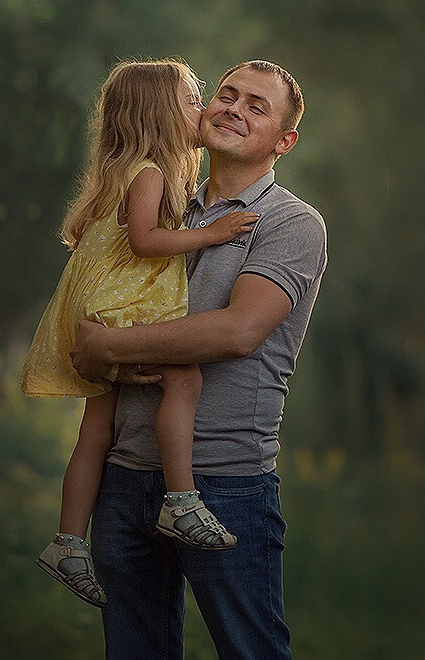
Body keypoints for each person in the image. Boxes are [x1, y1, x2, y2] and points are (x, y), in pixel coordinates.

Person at [69, 59, 327, 659]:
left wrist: (107, 346)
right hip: (125, 477)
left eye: (256, 106)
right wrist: (86, 348)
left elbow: (237, 332)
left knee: (252, 652)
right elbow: (92, 306)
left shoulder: (292, 224)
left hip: (224, 481)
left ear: (285, 142)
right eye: (227, 94)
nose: (233, 108)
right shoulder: (158, 208)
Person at [21, 58, 260, 609]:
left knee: (95, 428)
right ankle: (181, 498)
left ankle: (68, 540)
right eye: (193, 98)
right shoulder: (150, 172)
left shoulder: (124, 172)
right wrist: (212, 235)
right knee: (184, 379)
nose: (203, 109)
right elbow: (147, 242)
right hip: (117, 305)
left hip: (96, 307)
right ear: (161, 114)